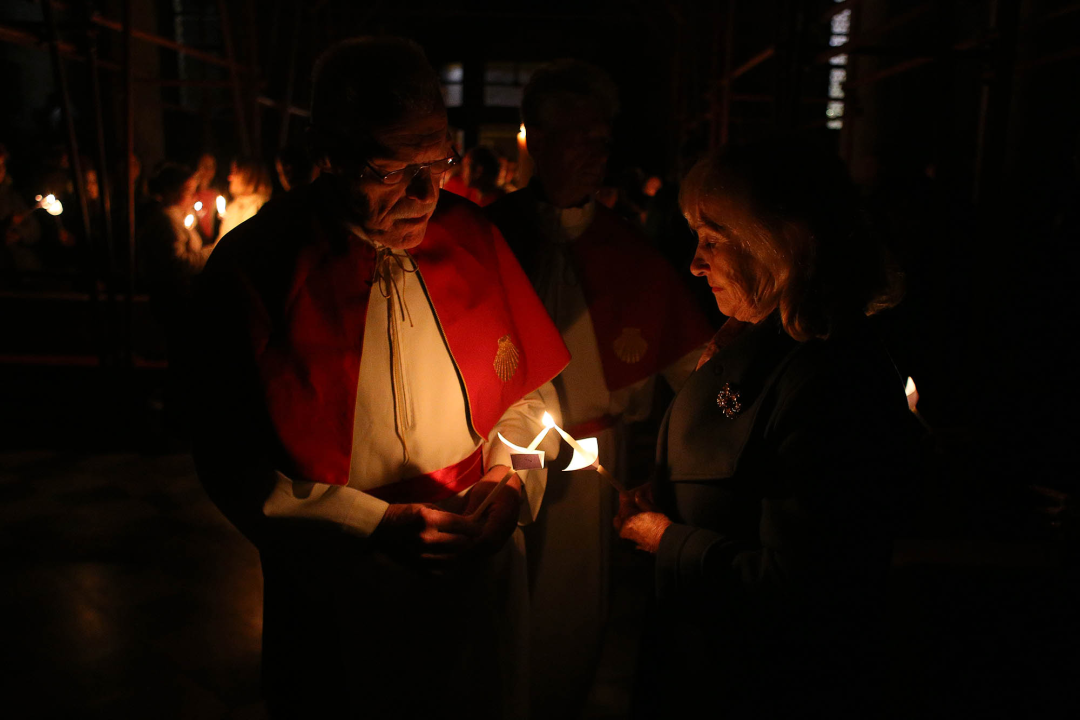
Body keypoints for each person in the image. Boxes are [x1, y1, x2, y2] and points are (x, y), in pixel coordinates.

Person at [190, 37, 569, 718]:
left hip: (479, 573)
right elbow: (230, 460)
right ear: (325, 155)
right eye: (391, 168)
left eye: (439, 160)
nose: (428, 193)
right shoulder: (257, 271)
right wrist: (370, 525)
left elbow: (529, 397)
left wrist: (514, 480)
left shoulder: (474, 239)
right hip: (341, 584)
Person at [615, 140, 919, 718]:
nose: (695, 263)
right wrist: (674, 498)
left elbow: (806, 589)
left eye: (712, 239)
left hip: (760, 685)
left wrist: (666, 539)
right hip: (700, 662)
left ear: (780, 241)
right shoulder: (757, 337)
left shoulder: (834, 380)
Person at [485, 59, 714, 719]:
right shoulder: (486, 239)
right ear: (536, 139)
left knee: (567, 617)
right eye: (576, 137)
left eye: (602, 138)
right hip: (496, 457)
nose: (596, 152)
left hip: (591, 472)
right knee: (495, 602)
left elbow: (697, 369)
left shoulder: (632, 253)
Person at [0, 143, 42, 277]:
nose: (0, 171)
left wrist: (19, 234)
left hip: (21, 270)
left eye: (2, 166)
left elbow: (35, 229)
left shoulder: (11, 195)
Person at [216, 157, 272, 241]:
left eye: (234, 172)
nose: (229, 177)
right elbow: (218, 246)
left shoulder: (262, 208)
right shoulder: (232, 208)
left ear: (249, 176)